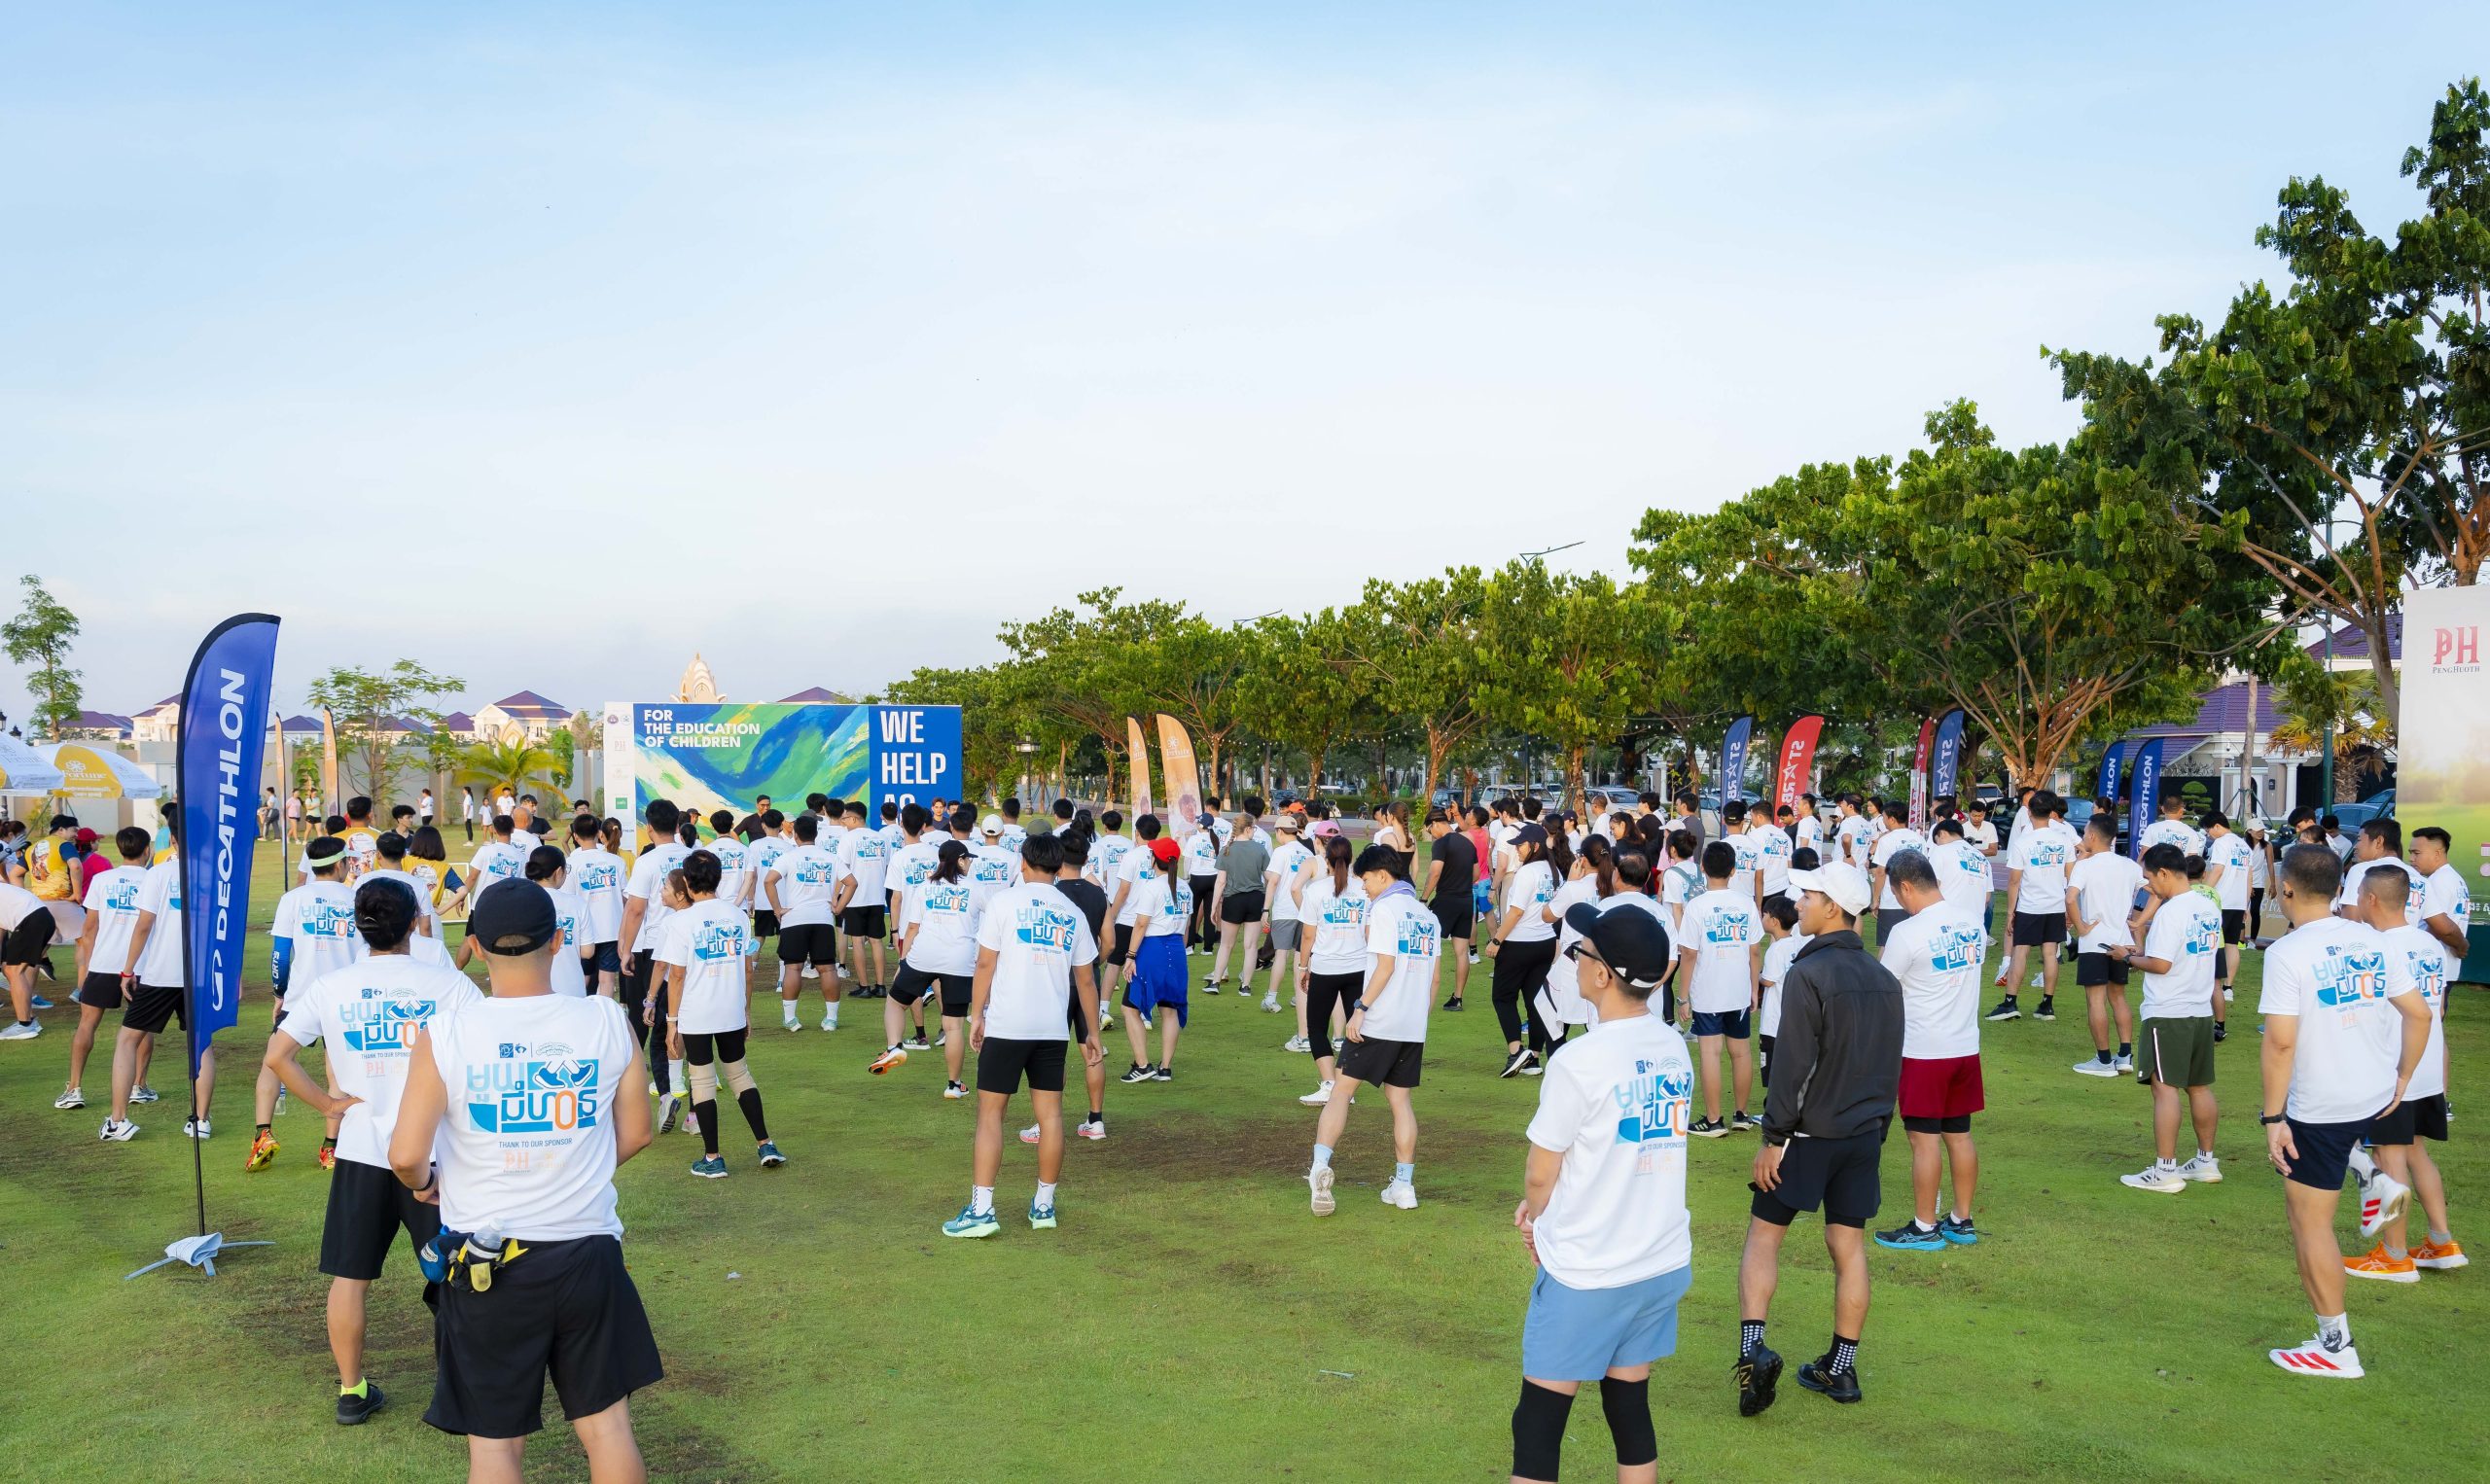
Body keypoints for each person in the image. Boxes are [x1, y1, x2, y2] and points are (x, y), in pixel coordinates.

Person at [383, 877, 660, 1478]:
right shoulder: (605, 1019)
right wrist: (568, 1167)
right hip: (586, 1250)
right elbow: (639, 1131)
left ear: (478, 946)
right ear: (558, 940)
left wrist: (426, 1181)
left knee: (495, 1444)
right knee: (607, 1428)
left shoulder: (448, 1033)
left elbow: (405, 1155)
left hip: (488, 1263)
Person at [261, 877, 481, 1424]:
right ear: (412, 924)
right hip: (432, 1154)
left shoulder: (332, 986)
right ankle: (461, 1387)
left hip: (361, 1151)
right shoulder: (447, 984)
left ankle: (351, 1391)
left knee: (350, 1276)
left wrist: (329, 1106)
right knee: (455, 1272)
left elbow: (278, 1055)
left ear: (358, 927)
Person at [1509, 901, 1688, 1484]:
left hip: (1591, 1269)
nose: (1575, 960)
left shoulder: (1578, 1060)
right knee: (1628, 1407)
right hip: (1657, 1261)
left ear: (1604, 974)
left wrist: (1536, 1218)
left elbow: (1541, 1174)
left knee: (1538, 1426)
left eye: (1580, 952)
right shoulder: (1672, 1045)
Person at [2255, 844, 2430, 1379]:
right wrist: (2403, 1077)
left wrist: (2273, 1119)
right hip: (2373, 1093)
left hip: (2322, 1105)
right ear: (2338, 890)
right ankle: (2372, 1176)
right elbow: (2420, 1014)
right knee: (2342, 1157)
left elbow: (2280, 1043)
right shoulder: (2372, 939)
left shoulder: (2287, 953)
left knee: (2309, 1223)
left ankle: (2336, 1346)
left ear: (2286, 889)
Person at [1733, 862, 1902, 1415]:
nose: (1798, 904)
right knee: (1848, 1247)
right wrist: (1878, 1127)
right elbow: (1891, 1063)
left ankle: (1752, 1355)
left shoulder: (1807, 972)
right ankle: (1841, 1368)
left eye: (1807, 896)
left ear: (1833, 907)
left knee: (1763, 1238)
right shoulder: (1883, 977)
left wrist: (1773, 1137)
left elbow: (1792, 1065)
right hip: (1863, 1135)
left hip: (1806, 1135)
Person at [942, 833, 1103, 1238]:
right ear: (1059, 866)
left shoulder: (1004, 902)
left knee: (990, 1115)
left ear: (1024, 862)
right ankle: (1043, 1205)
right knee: (1051, 1117)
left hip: (1007, 1026)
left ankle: (982, 1210)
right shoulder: (1072, 912)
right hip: (1052, 1029)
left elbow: (984, 965)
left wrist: (976, 1015)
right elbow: (1086, 981)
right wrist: (1092, 1033)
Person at [2341, 865, 2465, 1280]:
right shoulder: (2429, 943)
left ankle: (2394, 1255)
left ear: (2371, 899)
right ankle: (2441, 1241)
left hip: (2395, 1070)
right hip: (2424, 1066)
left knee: (2389, 1156)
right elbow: (2435, 1008)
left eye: (2359, 894)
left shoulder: (2376, 947)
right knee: (2415, 1152)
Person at [1306, 844, 1440, 1216]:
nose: (1363, 887)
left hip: (1378, 1020)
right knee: (1401, 1103)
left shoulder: (1383, 909)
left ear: (1383, 875)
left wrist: (1360, 1009)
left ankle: (1319, 1166)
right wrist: (1416, 1018)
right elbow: (1434, 980)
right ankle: (1404, 1185)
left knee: (1340, 1091)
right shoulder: (1427, 915)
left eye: (1365, 880)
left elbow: (1385, 966)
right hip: (1412, 1025)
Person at [1871, 851, 1989, 1251]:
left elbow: (1883, 988)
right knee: (1959, 1135)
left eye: (1895, 893)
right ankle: (1961, 1219)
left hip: (1924, 1051)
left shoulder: (1907, 932)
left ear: (1906, 887)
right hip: (1964, 1047)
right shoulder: (1971, 922)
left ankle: (1924, 1227)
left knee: (1924, 1140)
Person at [656, 849, 783, 1178]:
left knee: (702, 1081)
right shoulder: (737, 916)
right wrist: (746, 1011)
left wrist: (672, 1024)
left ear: (687, 883)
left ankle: (713, 1158)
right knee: (740, 1075)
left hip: (696, 1013)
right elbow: (748, 970)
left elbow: (677, 976)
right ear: (718, 878)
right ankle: (766, 1144)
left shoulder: (681, 922)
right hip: (730, 1009)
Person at [2116, 842, 2226, 1193]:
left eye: (2150, 879)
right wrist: (2141, 953)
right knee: (2199, 1086)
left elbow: (2161, 965)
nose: (2149, 887)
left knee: (2164, 1088)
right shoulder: (2208, 906)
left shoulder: (2170, 912)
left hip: (2168, 1011)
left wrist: (2127, 958)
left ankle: (2165, 1170)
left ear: (2164, 873)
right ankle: (2206, 1161)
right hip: (2200, 1009)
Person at [251, 835, 367, 1171]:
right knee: (338, 1071)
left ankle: (263, 1135)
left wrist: (279, 993)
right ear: (341, 865)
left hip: (301, 996)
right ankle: (330, 1149)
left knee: (273, 1062)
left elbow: (279, 954)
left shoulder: (293, 898)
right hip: (344, 997)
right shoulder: (357, 898)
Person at [103, 815, 210, 1139]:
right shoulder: (214, 875)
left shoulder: (158, 874)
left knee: (127, 1040)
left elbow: (144, 926)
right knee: (202, 1045)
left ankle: (118, 1121)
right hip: (200, 976)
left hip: (160, 974)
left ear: (172, 839)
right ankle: (201, 1121)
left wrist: (127, 969)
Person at [54, 827, 155, 1107]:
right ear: (147, 850)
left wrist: (87, 966)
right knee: (142, 1027)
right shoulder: (154, 879)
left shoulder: (102, 879)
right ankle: (138, 1086)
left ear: (120, 849)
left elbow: (89, 928)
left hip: (103, 963)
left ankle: (74, 1088)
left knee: (87, 1024)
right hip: (142, 966)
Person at [878, 840, 983, 1096]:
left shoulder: (925, 887)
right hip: (959, 960)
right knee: (953, 1026)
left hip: (923, 956)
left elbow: (913, 928)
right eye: (968, 858)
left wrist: (903, 961)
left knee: (895, 1003)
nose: (969, 863)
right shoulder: (975, 888)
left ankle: (894, 1047)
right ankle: (954, 1085)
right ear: (960, 860)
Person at [1675, 841, 1764, 1136]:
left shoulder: (1696, 907)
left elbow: (1689, 954)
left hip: (1708, 991)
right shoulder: (1746, 903)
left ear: (1703, 868)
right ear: (1733, 870)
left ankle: (1714, 1120)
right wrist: (1753, 988)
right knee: (1741, 1052)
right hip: (1738, 990)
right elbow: (1754, 950)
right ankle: (1741, 1114)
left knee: (1710, 1053)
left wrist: (1683, 997)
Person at [616, 800, 694, 1130]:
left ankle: (665, 1094)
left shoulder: (647, 861)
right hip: (693, 946)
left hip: (656, 949)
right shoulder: (693, 855)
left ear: (649, 827)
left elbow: (635, 910)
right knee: (689, 1023)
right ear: (678, 825)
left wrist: (625, 949)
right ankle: (693, 1109)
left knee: (651, 1021)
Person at [1294, 833, 1369, 1107]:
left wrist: (1304, 966)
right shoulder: (1363, 889)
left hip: (1326, 968)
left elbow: (1308, 936)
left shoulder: (1316, 891)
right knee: (1355, 1027)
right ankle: (1343, 1086)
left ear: (1326, 860)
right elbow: (1370, 932)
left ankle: (1331, 1084)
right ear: (1351, 859)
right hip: (1358, 967)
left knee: (1316, 1027)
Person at [2066, 815, 2144, 1078]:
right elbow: (2154, 892)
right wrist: (2139, 921)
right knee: (2118, 997)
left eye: (2085, 832)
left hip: (2094, 941)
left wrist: (2081, 927)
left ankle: (2103, 1059)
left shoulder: (2085, 866)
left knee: (2095, 1000)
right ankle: (2125, 1055)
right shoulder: (2129, 865)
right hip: (2121, 940)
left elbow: (2070, 899)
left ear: (2092, 836)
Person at [1990, 790, 2077, 1023]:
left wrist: (2011, 912)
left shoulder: (2023, 842)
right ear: (2051, 813)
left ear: (2029, 812)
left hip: (2029, 906)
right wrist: (2070, 908)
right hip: (2055, 905)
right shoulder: (2064, 841)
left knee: (2020, 952)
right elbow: (2071, 878)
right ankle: (2047, 1005)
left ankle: (2010, 1003)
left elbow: (2014, 881)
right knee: (2050, 954)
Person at [1484, 822, 1561, 1078]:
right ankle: (1534, 1057)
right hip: (1545, 942)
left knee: (1503, 997)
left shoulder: (1527, 873)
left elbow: (1516, 912)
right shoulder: (1553, 871)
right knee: (1534, 1000)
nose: (1517, 849)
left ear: (1535, 846)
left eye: (1521, 845)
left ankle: (1516, 1051)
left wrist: (1496, 941)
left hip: (1519, 944)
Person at [765, 811, 847, 1034]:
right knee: (828, 969)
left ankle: (790, 1019)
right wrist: (838, 907)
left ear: (796, 835)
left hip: (794, 919)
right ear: (816, 835)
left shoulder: (789, 856)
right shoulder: (829, 857)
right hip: (823, 919)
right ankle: (831, 1019)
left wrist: (777, 909)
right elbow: (852, 882)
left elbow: (769, 881)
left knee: (793, 967)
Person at [1120, 835, 1192, 1082]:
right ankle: (1165, 1067)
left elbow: (1141, 924)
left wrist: (1130, 956)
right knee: (1169, 1009)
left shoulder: (1152, 887)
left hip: (1153, 949)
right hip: (1176, 949)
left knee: (1129, 1007)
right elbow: (1186, 927)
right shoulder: (1185, 887)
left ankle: (1142, 1065)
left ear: (1154, 860)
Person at [1206, 811, 1270, 994]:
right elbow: (1269, 878)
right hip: (1255, 899)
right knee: (1250, 946)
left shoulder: (1227, 849)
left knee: (1226, 945)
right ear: (1248, 829)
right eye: (1254, 828)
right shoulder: (1259, 849)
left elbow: (1220, 882)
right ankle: (1245, 986)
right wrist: (1267, 902)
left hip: (1233, 900)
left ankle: (1215, 983)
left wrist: (1213, 907)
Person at [565, 814, 627, 1000]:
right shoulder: (616, 861)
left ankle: (579, 1011)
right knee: (607, 979)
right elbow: (625, 897)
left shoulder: (570, 864)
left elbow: (568, 899)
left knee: (583, 977)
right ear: (599, 834)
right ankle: (604, 1013)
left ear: (575, 836)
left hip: (584, 931)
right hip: (612, 929)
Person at [2200, 810, 2252, 1033]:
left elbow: (2218, 871)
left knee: (2214, 946)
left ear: (2216, 826)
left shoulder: (2221, 843)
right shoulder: (2244, 845)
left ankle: (2213, 985)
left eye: (2208, 831)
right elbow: (2249, 877)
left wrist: (2202, 891)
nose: (2208, 835)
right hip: (2238, 902)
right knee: (2232, 944)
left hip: (2220, 901)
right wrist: (2246, 903)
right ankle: (2228, 986)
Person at [836, 800, 893, 997]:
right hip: (877, 897)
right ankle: (881, 986)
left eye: (845, 819)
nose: (843, 822)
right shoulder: (882, 838)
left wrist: (835, 896)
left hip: (855, 898)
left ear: (853, 818)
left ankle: (864, 986)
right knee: (877, 942)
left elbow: (842, 872)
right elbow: (887, 866)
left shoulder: (848, 839)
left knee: (858, 941)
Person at [1261, 814, 1315, 1015]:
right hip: (1304, 909)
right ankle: (1300, 995)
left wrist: (1266, 909)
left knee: (1281, 955)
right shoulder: (1307, 852)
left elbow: (1273, 881)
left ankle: (1271, 997)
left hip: (1284, 909)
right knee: (1302, 957)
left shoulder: (1280, 852)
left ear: (1280, 832)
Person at [1755, 894, 1807, 1091]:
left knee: (1773, 1070)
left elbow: (1768, 980)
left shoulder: (1776, 950)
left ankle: (1775, 1105)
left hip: (1773, 1022)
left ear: (1774, 921)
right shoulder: (1798, 944)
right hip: (1792, 1020)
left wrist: (1756, 976)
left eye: (1764, 915)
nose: (1762, 918)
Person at [1865, 801, 1924, 945]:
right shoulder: (1919, 839)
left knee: (1887, 945)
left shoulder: (1887, 840)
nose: (1883, 820)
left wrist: (1876, 900)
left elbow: (1880, 872)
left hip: (1892, 900)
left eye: (1884, 817)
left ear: (1891, 819)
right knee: (1912, 944)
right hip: (1916, 900)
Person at [1180, 814, 1222, 953]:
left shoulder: (1194, 839)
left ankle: (1189, 946)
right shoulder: (1215, 839)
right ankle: (1208, 948)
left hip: (1197, 879)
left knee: (1192, 913)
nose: (1196, 823)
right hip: (1213, 879)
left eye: (1198, 821)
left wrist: (1186, 877)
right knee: (1210, 913)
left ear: (1202, 825)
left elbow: (1187, 860)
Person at [2137, 795, 2204, 860]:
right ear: (2181, 810)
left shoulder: (2152, 828)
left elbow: (2143, 856)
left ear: (2163, 809)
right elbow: (2192, 861)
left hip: (2155, 867)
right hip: (2180, 867)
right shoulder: (2191, 833)